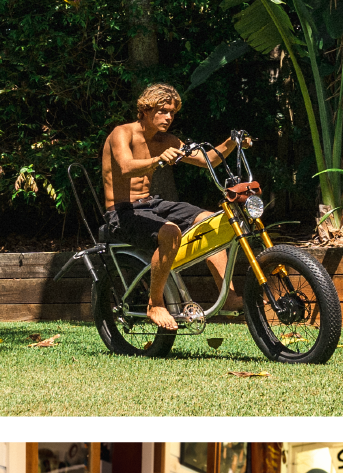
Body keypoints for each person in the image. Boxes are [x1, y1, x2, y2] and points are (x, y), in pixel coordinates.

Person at [101, 83, 246, 331]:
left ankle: (230, 296)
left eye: (172, 113)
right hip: (122, 212)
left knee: (212, 222)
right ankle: (154, 303)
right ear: (146, 109)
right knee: (169, 233)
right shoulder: (122, 133)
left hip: (152, 204)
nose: (168, 117)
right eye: (163, 111)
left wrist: (232, 142)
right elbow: (125, 167)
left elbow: (207, 160)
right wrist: (158, 160)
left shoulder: (166, 140)